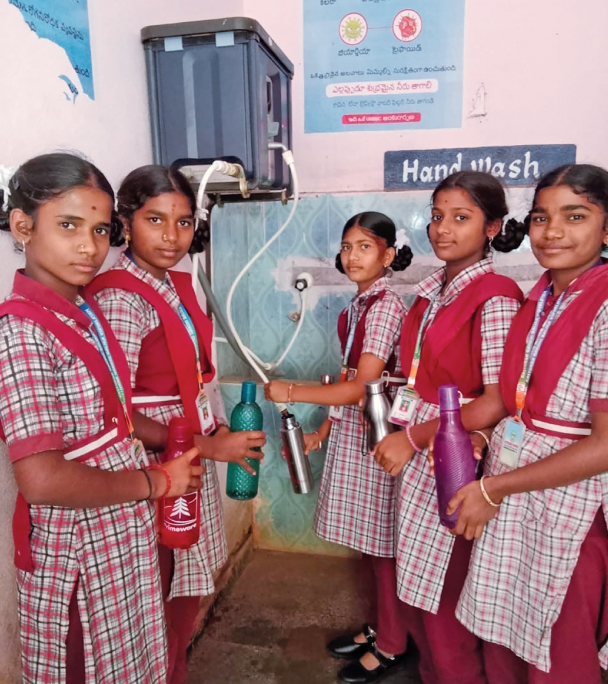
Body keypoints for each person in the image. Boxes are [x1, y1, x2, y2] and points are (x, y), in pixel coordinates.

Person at [0, 152, 202, 683]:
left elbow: (119, 422)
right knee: (82, 664)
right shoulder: (20, 332)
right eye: (68, 226)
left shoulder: (82, 313)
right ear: (22, 225)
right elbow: (41, 479)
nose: (90, 247)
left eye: (99, 229)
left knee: (128, 662)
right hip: (75, 543)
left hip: (119, 525)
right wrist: (156, 481)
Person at [88, 164, 266, 684]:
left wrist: (209, 439)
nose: (172, 237)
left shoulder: (167, 283)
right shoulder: (121, 296)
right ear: (125, 220)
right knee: (157, 596)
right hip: (149, 463)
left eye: (184, 223)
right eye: (155, 220)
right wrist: (210, 448)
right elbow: (113, 411)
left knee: (181, 592)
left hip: (188, 448)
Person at [452, 164, 608, 683]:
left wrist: (494, 489)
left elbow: (605, 446)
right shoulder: (540, 297)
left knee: (558, 654)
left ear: (607, 229)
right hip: (516, 492)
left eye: (575, 215)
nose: (553, 231)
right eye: (541, 217)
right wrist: (483, 435)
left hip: (573, 511)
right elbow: (523, 405)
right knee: (504, 636)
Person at [372, 171, 524, 684]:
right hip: (420, 445)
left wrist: (412, 436)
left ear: (492, 228)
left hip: (454, 455)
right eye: (438, 216)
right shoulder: (431, 290)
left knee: (444, 595)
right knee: (419, 589)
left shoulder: (495, 296)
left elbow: (497, 402)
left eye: (461, 218)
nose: (443, 229)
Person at [265, 211, 414, 683]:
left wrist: (291, 391)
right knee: (373, 544)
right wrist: (322, 432)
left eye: (365, 247)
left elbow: (363, 387)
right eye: (348, 247)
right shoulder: (357, 306)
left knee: (385, 545)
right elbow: (348, 379)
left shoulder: (387, 304)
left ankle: (392, 645)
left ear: (388, 255)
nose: (352, 256)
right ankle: (384, 627)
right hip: (357, 430)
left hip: (380, 433)